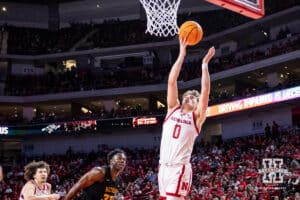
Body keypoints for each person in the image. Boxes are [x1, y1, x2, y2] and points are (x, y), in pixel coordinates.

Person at [158, 38, 215, 199]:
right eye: (188, 95)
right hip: (163, 167)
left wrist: (204, 65)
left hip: (179, 169)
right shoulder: (172, 109)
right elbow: (171, 82)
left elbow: (205, 92)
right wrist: (182, 55)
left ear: (197, 105)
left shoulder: (196, 118)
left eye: (194, 98)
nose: (190, 97)